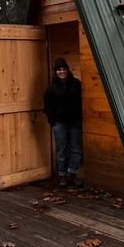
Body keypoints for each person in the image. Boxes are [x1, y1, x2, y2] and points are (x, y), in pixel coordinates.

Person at [44, 57, 84, 188]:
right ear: (55, 72)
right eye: (59, 70)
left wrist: (80, 117)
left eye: (64, 69)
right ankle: (62, 175)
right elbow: (48, 106)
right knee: (61, 150)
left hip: (75, 122)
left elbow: (81, 101)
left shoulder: (76, 84)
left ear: (67, 70)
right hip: (60, 123)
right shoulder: (51, 88)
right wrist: (53, 121)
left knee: (75, 149)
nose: (62, 72)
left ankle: (73, 174)